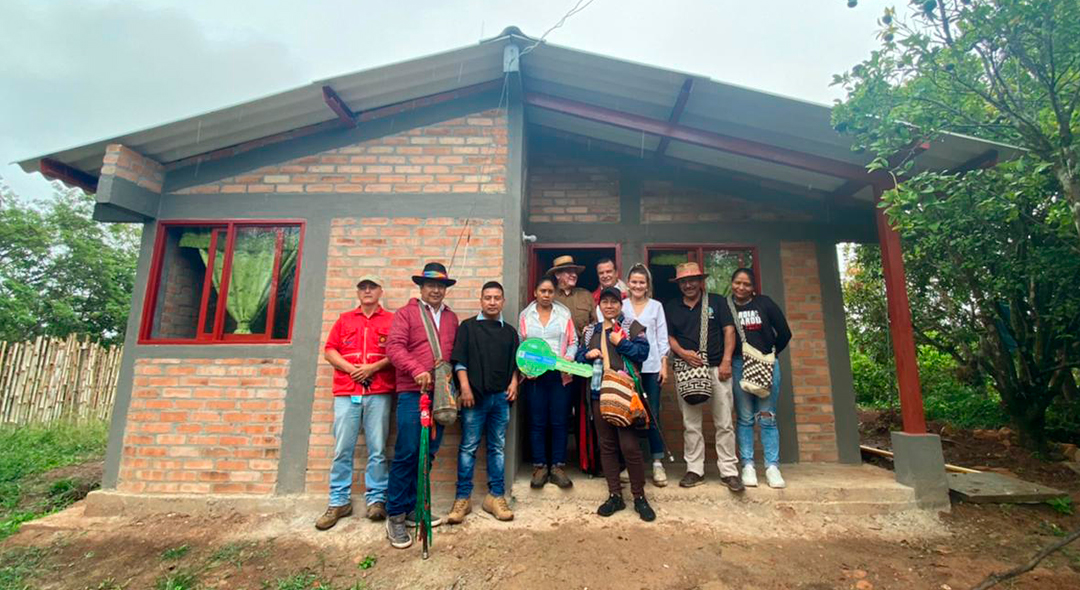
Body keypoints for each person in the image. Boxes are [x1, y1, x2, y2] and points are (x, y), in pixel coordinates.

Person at [384, 262, 459, 549]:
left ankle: (415, 508)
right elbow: (394, 348)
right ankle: (396, 515)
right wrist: (416, 369)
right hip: (412, 394)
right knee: (407, 452)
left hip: (441, 394)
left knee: (429, 453)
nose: (436, 290)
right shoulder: (406, 314)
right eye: (431, 285)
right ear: (421, 287)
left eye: (441, 285)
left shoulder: (452, 318)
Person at [315, 275, 395, 530]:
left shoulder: (391, 320)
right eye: (363, 287)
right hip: (346, 392)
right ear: (358, 292)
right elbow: (330, 351)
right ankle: (338, 501)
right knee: (342, 449)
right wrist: (353, 369)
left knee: (378, 448)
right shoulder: (344, 320)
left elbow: (395, 352)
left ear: (381, 291)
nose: (368, 291)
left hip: (378, 392)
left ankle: (376, 499)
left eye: (372, 287)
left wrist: (372, 368)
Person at [663, 262, 744, 493]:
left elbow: (729, 330)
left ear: (701, 281)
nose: (688, 284)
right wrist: (682, 353)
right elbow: (669, 336)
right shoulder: (672, 306)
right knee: (691, 424)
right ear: (679, 284)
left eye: (692, 280)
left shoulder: (717, 302)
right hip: (687, 370)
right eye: (683, 281)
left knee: (724, 422)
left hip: (718, 368)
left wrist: (727, 361)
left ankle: (729, 471)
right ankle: (694, 469)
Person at [577, 287, 656, 521]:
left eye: (614, 302)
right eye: (605, 302)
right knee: (607, 445)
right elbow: (580, 355)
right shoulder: (591, 329)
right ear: (599, 306)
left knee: (630, 446)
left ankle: (639, 497)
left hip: (624, 395)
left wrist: (621, 343)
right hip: (598, 393)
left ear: (621, 305)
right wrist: (587, 355)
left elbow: (643, 353)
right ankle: (615, 495)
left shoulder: (632, 327)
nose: (609, 306)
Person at [446, 281, 519, 523]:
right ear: (481, 300)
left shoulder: (509, 332)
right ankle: (462, 499)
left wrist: (514, 382)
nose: (492, 302)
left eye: (497, 298)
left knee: (497, 447)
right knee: (468, 447)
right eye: (487, 297)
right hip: (473, 398)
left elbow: (515, 364)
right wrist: (464, 388)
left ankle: (495, 496)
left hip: (500, 399)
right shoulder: (468, 328)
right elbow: (459, 361)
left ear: (503, 302)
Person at [729, 267, 792, 489]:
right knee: (745, 417)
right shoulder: (728, 306)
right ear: (732, 283)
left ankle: (772, 467)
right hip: (739, 364)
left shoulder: (765, 303)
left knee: (767, 416)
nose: (741, 287)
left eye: (746, 284)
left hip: (766, 364)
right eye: (737, 282)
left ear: (753, 288)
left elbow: (785, 333)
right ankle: (747, 465)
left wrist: (770, 353)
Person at [518, 275, 578, 489]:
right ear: (535, 292)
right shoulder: (526, 315)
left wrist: (568, 359)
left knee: (559, 420)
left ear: (554, 293)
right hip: (535, 376)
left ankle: (558, 467)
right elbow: (521, 346)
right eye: (542, 291)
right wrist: (526, 369)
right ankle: (540, 466)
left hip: (559, 375)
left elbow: (573, 342)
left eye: (550, 291)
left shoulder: (563, 314)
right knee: (537, 421)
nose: (546, 295)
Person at [621, 263, 671, 487]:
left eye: (642, 282)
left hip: (651, 368)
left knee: (652, 414)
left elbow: (662, 337)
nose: (638, 285)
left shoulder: (656, 306)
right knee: (627, 414)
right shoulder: (621, 306)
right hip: (627, 367)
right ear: (628, 284)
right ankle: (630, 464)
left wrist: (664, 364)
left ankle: (658, 462)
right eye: (634, 282)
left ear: (647, 284)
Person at [549, 255, 595, 338]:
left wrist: (591, 329)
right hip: (556, 346)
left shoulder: (586, 295)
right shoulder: (550, 297)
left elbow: (595, 322)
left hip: (583, 347)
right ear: (557, 274)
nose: (574, 275)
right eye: (569, 272)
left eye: (575, 272)